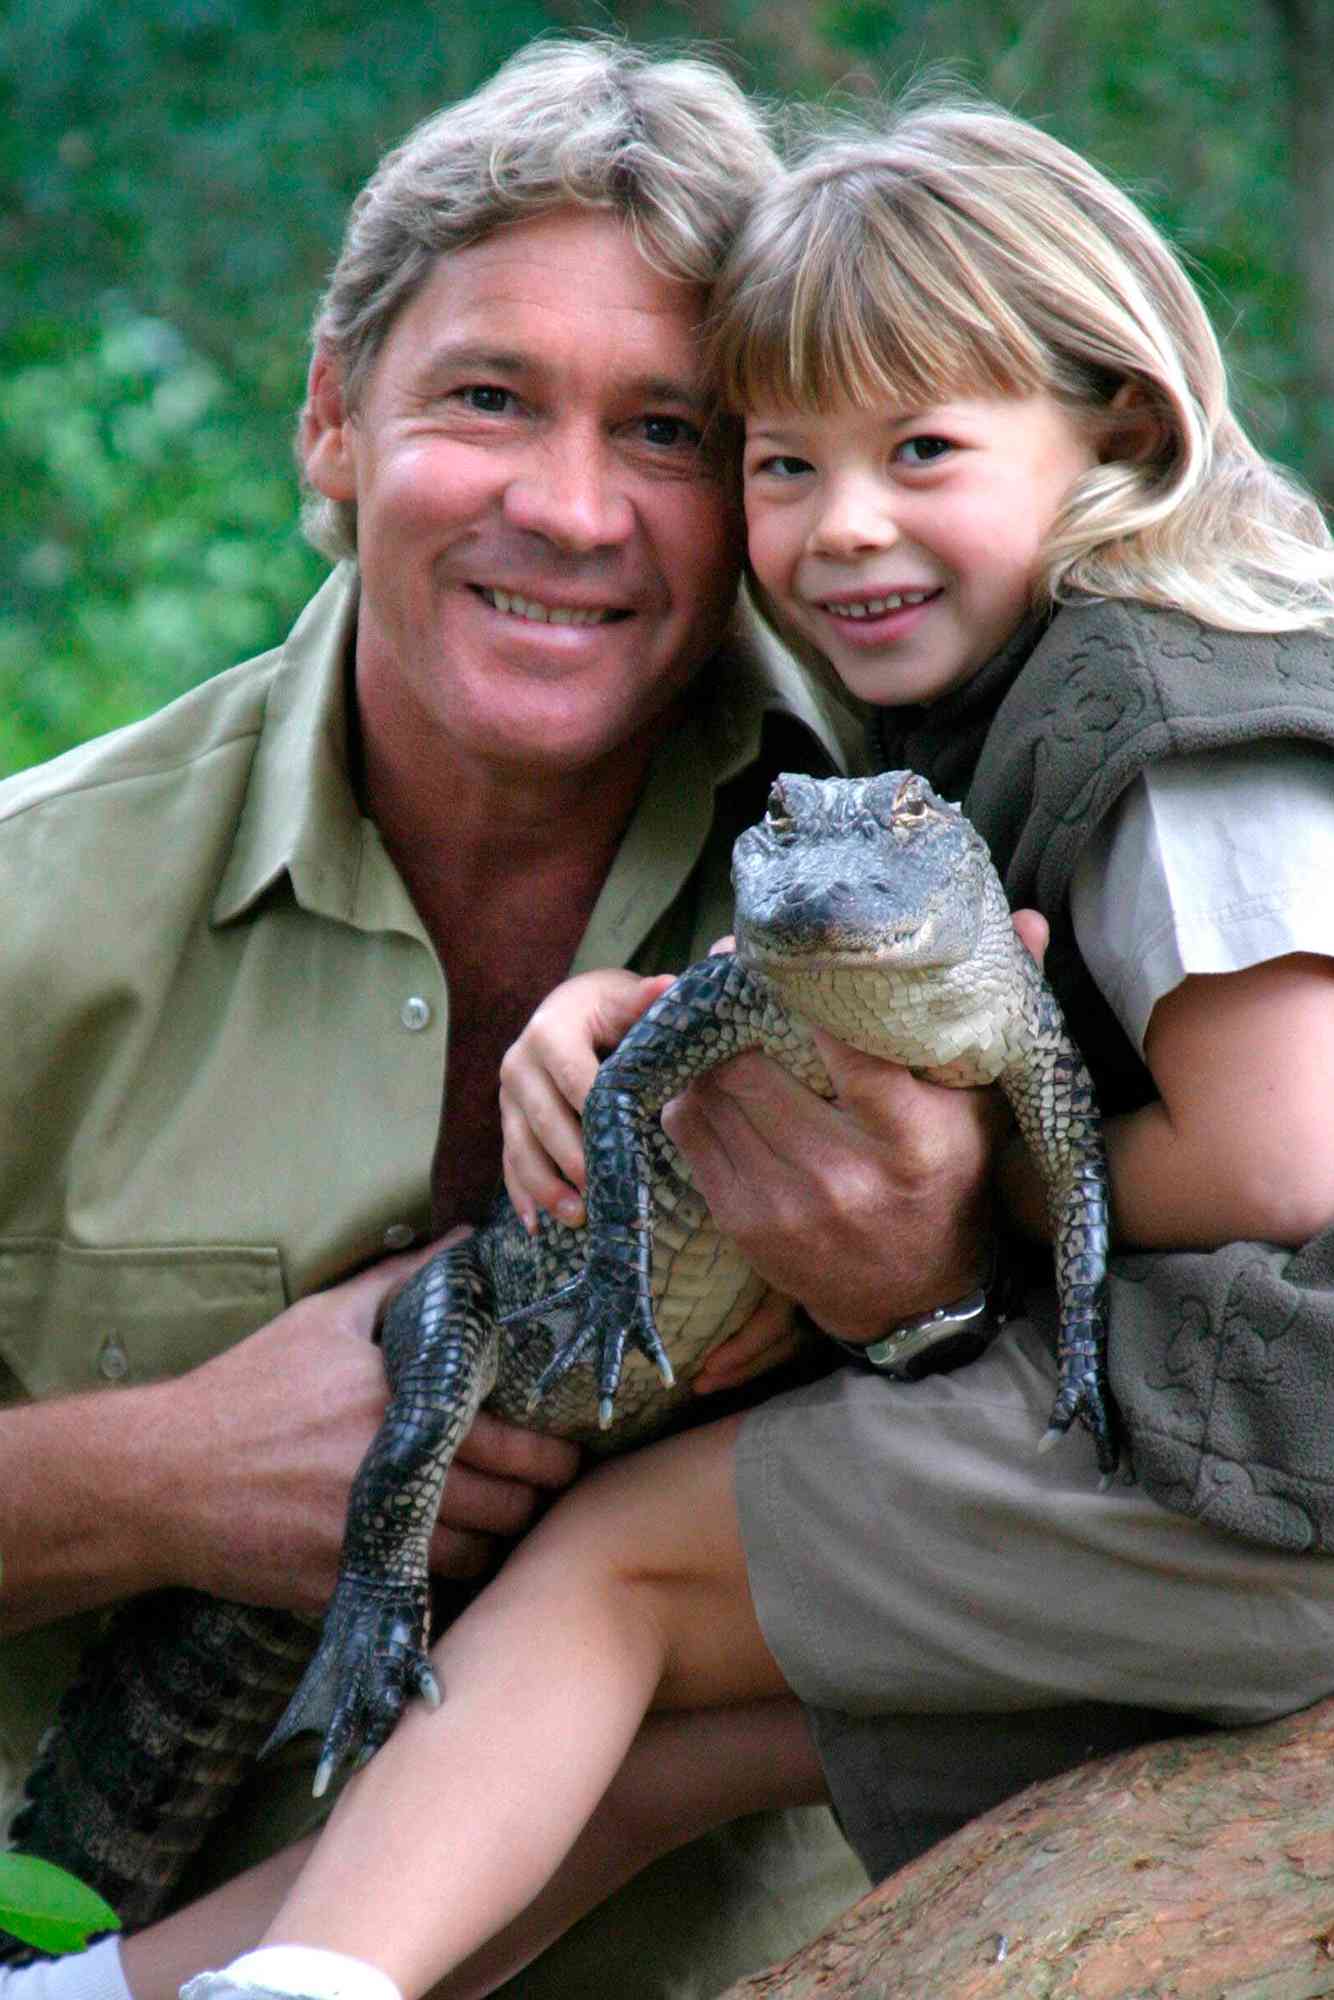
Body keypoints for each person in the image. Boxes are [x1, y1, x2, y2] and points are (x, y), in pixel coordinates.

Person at [97, 88, 1334, 2000]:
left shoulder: (1160, 710)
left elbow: (1278, 1156)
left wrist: (970, 1187)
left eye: (919, 448)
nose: (842, 529)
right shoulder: (966, 700)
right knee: (672, 1733)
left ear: (1122, 434)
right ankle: (115, 1988)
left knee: (608, 1580)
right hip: (1231, 1456)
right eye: (776, 463)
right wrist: (648, 1024)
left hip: (1265, 1448)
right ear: (334, 421)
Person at [0, 36, 1029, 2000]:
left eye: (665, 432)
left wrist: (932, 1274)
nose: (569, 510)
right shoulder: (28, 904)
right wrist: (155, 1467)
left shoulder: (909, 860)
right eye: (488, 399)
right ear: (329, 423)